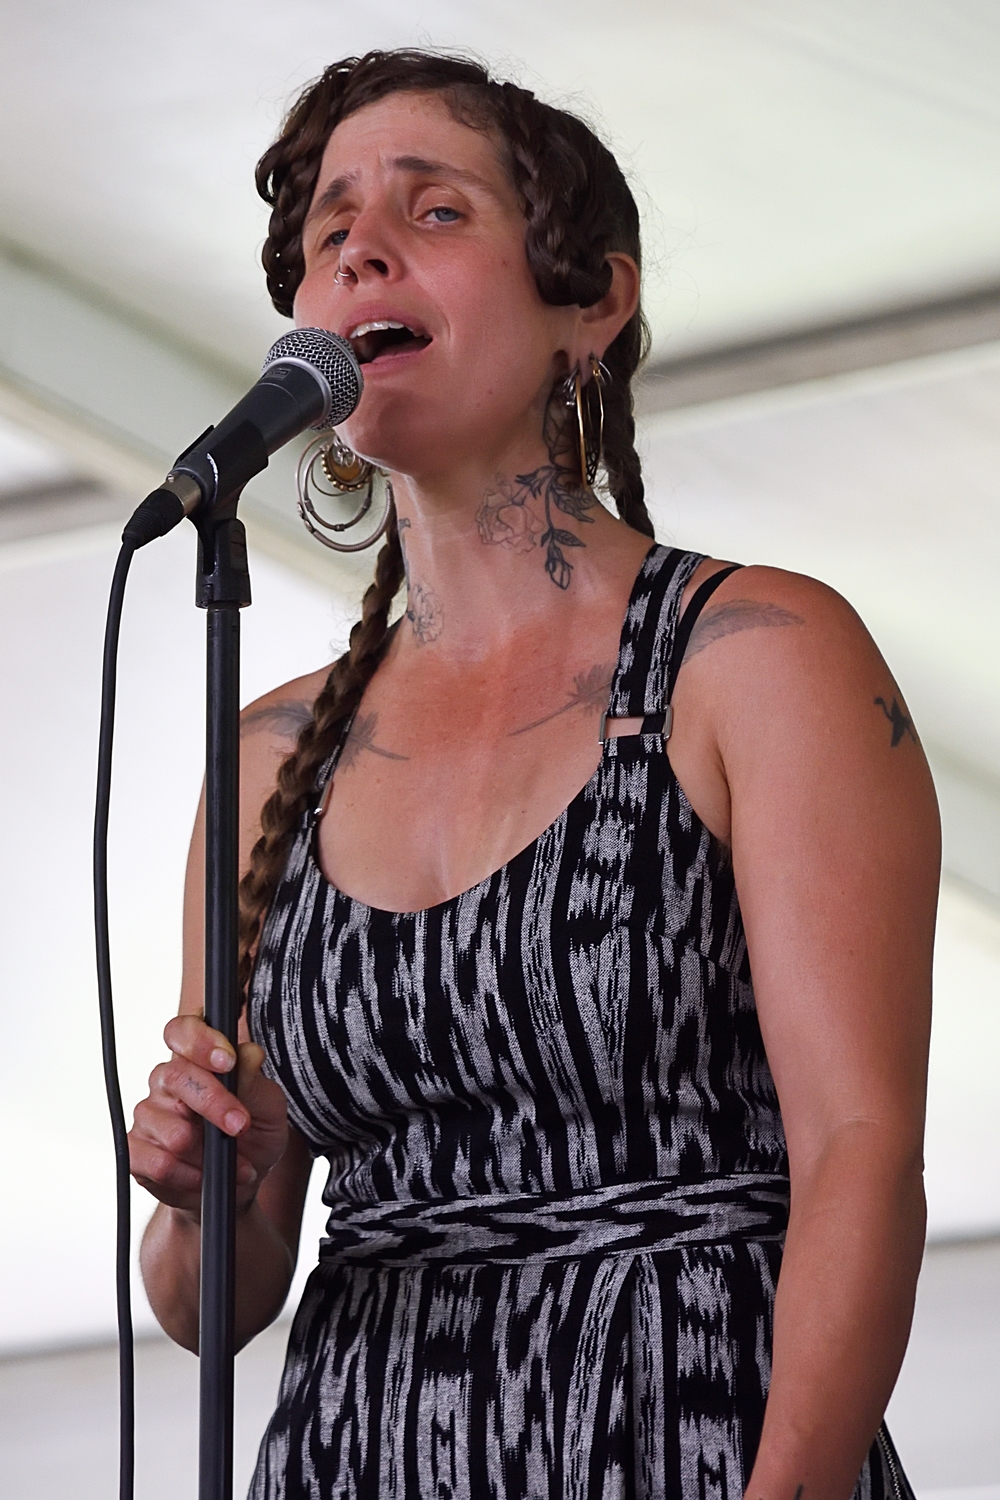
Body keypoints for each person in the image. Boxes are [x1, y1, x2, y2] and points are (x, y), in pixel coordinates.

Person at [128, 50, 939, 1500]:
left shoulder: (753, 655)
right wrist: (204, 1200)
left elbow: (861, 1156)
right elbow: (210, 1308)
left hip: (691, 1444)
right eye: (329, 228)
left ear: (591, 300)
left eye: (434, 210)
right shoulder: (264, 760)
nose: (360, 248)